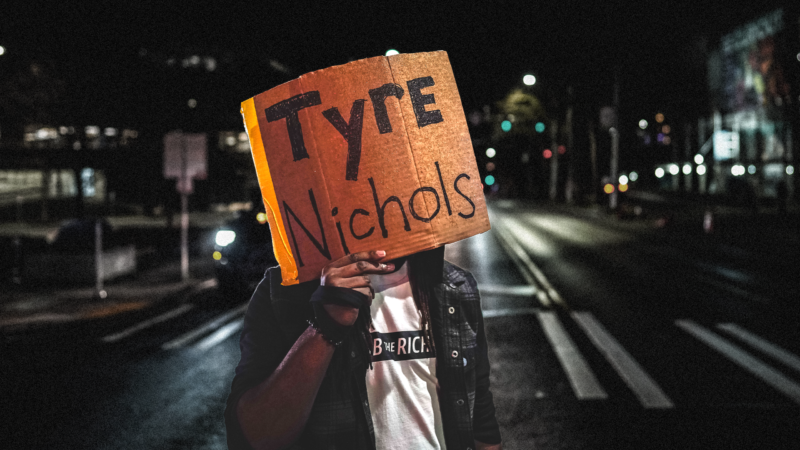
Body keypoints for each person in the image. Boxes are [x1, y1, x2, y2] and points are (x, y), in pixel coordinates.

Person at [224, 246, 502, 450]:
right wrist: (326, 327)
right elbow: (254, 437)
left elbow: (479, 415)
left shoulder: (455, 286)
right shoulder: (284, 292)